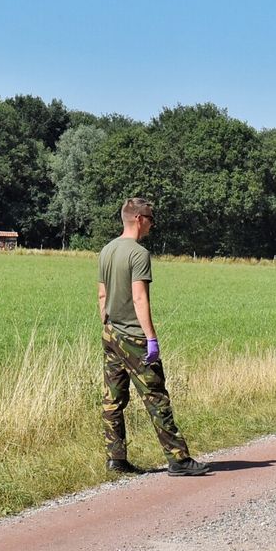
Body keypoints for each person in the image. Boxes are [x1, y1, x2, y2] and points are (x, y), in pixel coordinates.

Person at [97, 198, 210, 477]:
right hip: (134, 336)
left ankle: (116, 458)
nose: (153, 223)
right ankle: (178, 459)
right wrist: (151, 338)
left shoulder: (107, 250)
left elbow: (102, 294)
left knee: (112, 399)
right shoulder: (138, 253)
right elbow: (139, 297)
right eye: (150, 217)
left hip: (111, 333)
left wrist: (107, 322)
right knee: (156, 397)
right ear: (138, 219)